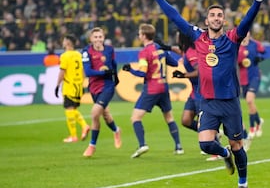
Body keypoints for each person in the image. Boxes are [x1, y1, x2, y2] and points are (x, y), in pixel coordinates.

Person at [144, 0, 266, 188]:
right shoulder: (198, 37)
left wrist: (257, 1)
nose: (217, 18)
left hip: (229, 102)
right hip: (207, 101)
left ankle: (243, 183)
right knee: (206, 143)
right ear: (206, 19)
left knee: (238, 144)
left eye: (220, 15)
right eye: (213, 15)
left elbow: (247, 21)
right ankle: (223, 154)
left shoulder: (232, 38)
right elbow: (175, 17)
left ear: (224, 20)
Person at [122, 23, 184, 158]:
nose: (138, 36)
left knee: (135, 117)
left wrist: (130, 70)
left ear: (144, 36)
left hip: (152, 88)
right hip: (164, 87)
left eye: (139, 34)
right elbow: (174, 63)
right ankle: (178, 146)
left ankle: (142, 144)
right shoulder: (160, 49)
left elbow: (143, 73)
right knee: (169, 117)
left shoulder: (144, 52)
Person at [169, 31, 222, 161]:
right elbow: (180, 52)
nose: (176, 38)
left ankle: (218, 151)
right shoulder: (188, 51)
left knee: (203, 122)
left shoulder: (192, 52)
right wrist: (167, 47)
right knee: (186, 121)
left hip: (201, 91)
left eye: (178, 35)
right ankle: (215, 134)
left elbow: (199, 71)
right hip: (194, 91)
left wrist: (183, 75)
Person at [81, 27, 122, 157]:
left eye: (100, 37)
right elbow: (88, 72)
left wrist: (116, 77)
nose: (98, 39)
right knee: (105, 115)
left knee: (94, 114)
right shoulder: (86, 52)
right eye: (95, 37)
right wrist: (103, 72)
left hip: (108, 86)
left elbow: (114, 64)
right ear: (91, 39)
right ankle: (116, 130)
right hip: (94, 87)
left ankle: (92, 145)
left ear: (103, 38)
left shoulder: (109, 50)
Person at [55, 34, 90, 143]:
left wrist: (57, 85)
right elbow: (84, 71)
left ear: (68, 42)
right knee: (73, 109)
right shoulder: (79, 55)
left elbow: (62, 71)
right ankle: (80, 130)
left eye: (64, 40)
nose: (63, 42)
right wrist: (82, 82)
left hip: (69, 86)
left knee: (69, 109)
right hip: (79, 86)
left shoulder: (65, 56)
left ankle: (75, 134)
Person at [237, 32, 265, 142]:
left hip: (254, 76)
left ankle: (252, 128)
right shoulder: (237, 46)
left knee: (249, 100)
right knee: (250, 103)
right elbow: (235, 60)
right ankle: (258, 122)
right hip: (243, 79)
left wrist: (259, 57)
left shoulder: (255, 44)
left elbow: (264, 54)